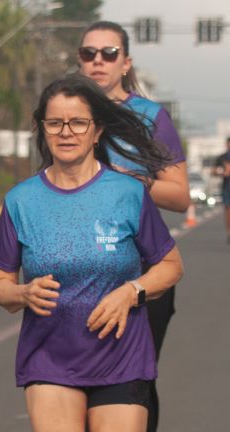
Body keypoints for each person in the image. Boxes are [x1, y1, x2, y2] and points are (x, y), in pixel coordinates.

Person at [0, 74, 184, 432]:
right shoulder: (21, 200)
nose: (66, 132)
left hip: (121, 357)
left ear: (97, 131)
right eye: (55, 123)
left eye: (78, 122)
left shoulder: (128, 193)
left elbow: (170, 265)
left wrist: (132, 291)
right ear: (42, 129)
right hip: (50, 358)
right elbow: (0, 283)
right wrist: (22, 293)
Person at [78, 21, 189, 431]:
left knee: (132, 384)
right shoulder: (66, 113)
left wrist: (128, 179)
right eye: (89, 53)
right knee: (76, 383)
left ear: (125, 62)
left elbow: (179, 196)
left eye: (108, 53)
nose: (98, 62)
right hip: (78, 271)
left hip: (142, 270)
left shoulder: (149, 116)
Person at [214, 137, 230, 242]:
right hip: (227, 187)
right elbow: (213, 171)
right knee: (228, 209)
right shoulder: (222, 157)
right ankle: (229, 232)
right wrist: (222, 172)